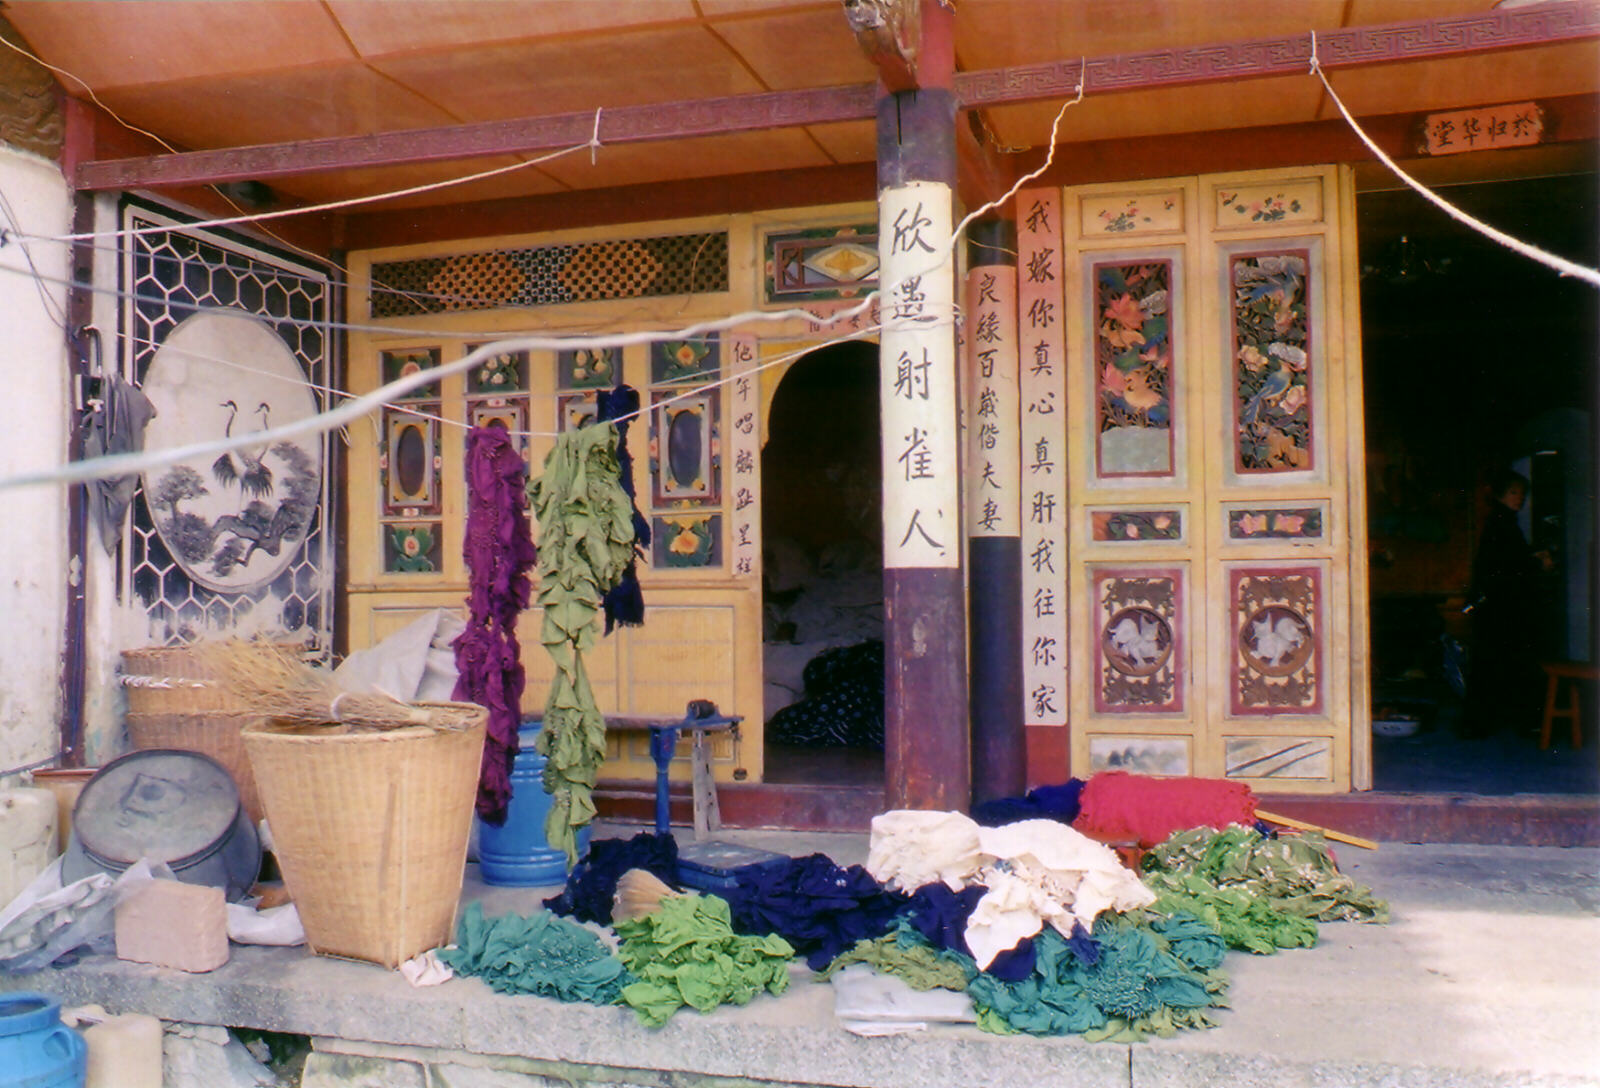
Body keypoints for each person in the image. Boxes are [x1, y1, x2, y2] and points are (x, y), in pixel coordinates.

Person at [1462, 468, 1553, 738]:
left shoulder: (1504, 521)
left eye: (1522, 493)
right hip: (1501, 607)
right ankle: (1496, 723)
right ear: (1501, 494)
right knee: (1501, 662)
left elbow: (1509, 561)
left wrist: (1532, 557)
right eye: (1514, 492)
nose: (1520, 498)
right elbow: (1506, 566)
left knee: (1495, 663)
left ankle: (1484, 724)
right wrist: (1537, 561)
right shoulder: (1501, 522)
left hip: (1500, 606)